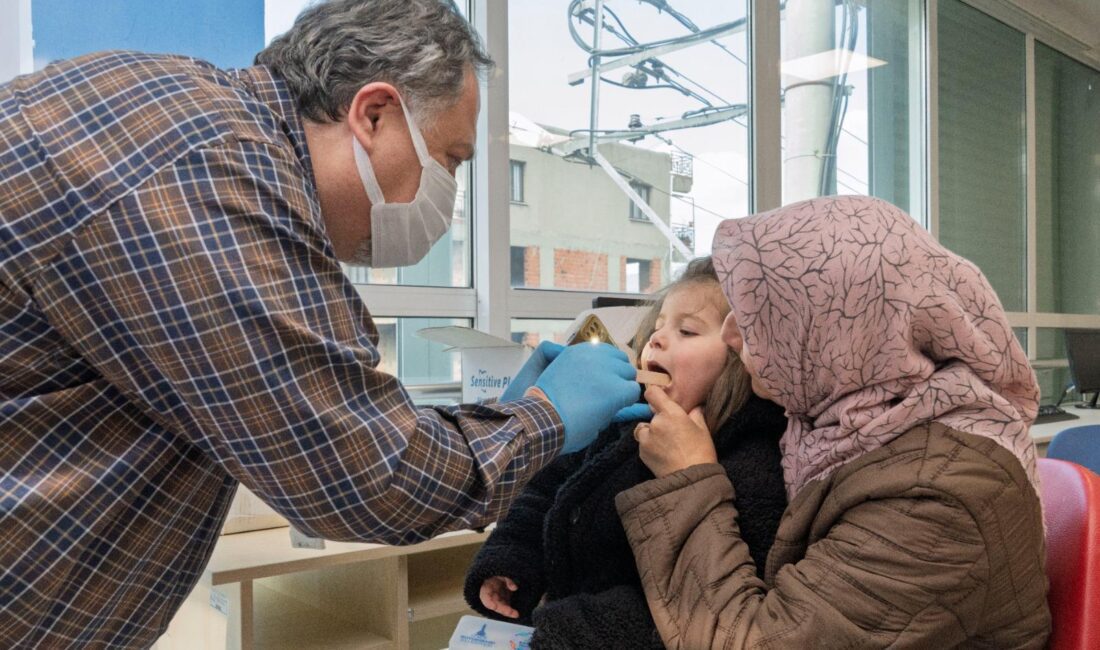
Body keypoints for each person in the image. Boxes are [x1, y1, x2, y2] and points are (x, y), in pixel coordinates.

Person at [0, 1, 639, 646]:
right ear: (374, 114)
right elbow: (376, 479)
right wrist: (542, 419)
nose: (448, 191)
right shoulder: (206, 169)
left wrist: (508, 422)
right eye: (452, 157)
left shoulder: (182, 118)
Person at [621, 195, 1051, 648]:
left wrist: (687, 477)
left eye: (760, 316)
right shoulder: (843, 425)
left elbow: (755, 641)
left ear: (839, 329)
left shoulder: (941, 500)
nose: (731, 335)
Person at [463, 257, 789, 649]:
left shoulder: (755, 465)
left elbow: (692, 604)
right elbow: (546, 492)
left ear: (742, 358)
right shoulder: (624, 425)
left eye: (686, 330)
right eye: (656, 327)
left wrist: (566, 632)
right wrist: (511, 561)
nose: (656, 339)